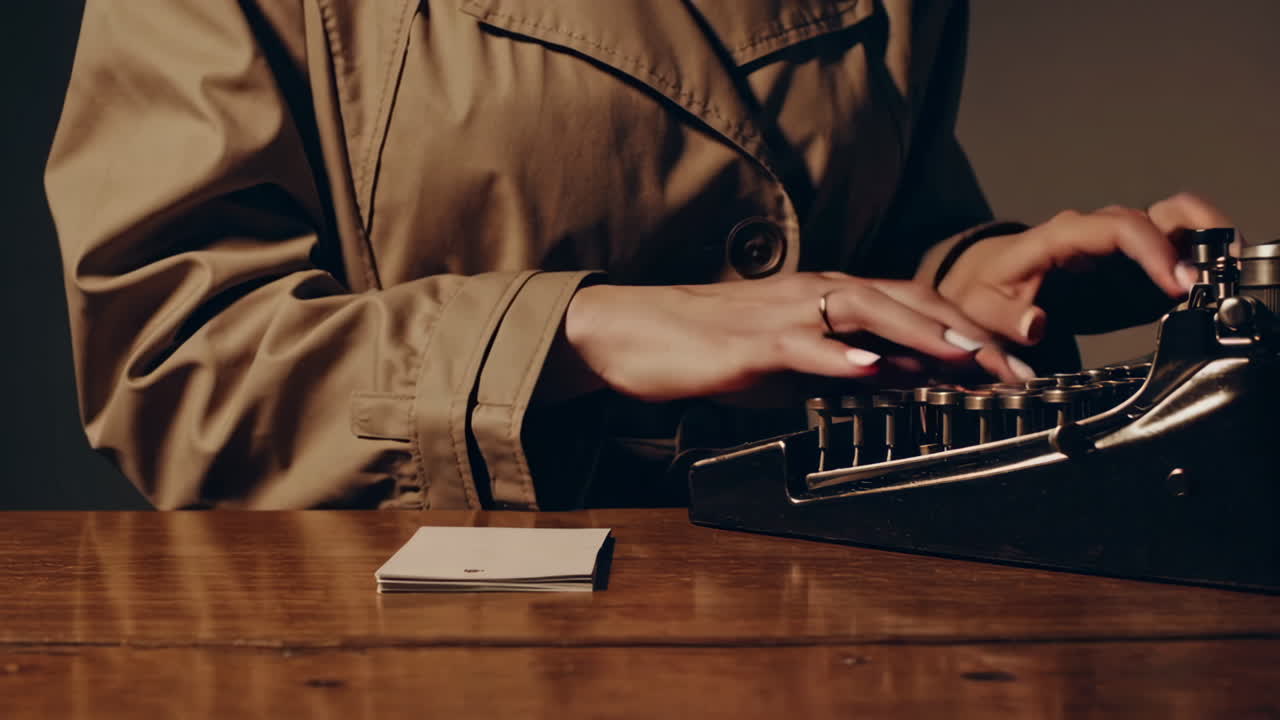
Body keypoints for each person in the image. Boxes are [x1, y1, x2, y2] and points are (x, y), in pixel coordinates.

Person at [47, 0, 1232, 510]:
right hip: (421, 642)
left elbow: (864, 232)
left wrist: (963, 285)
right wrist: (583, 329)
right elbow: (176, 369)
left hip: (852, 615)